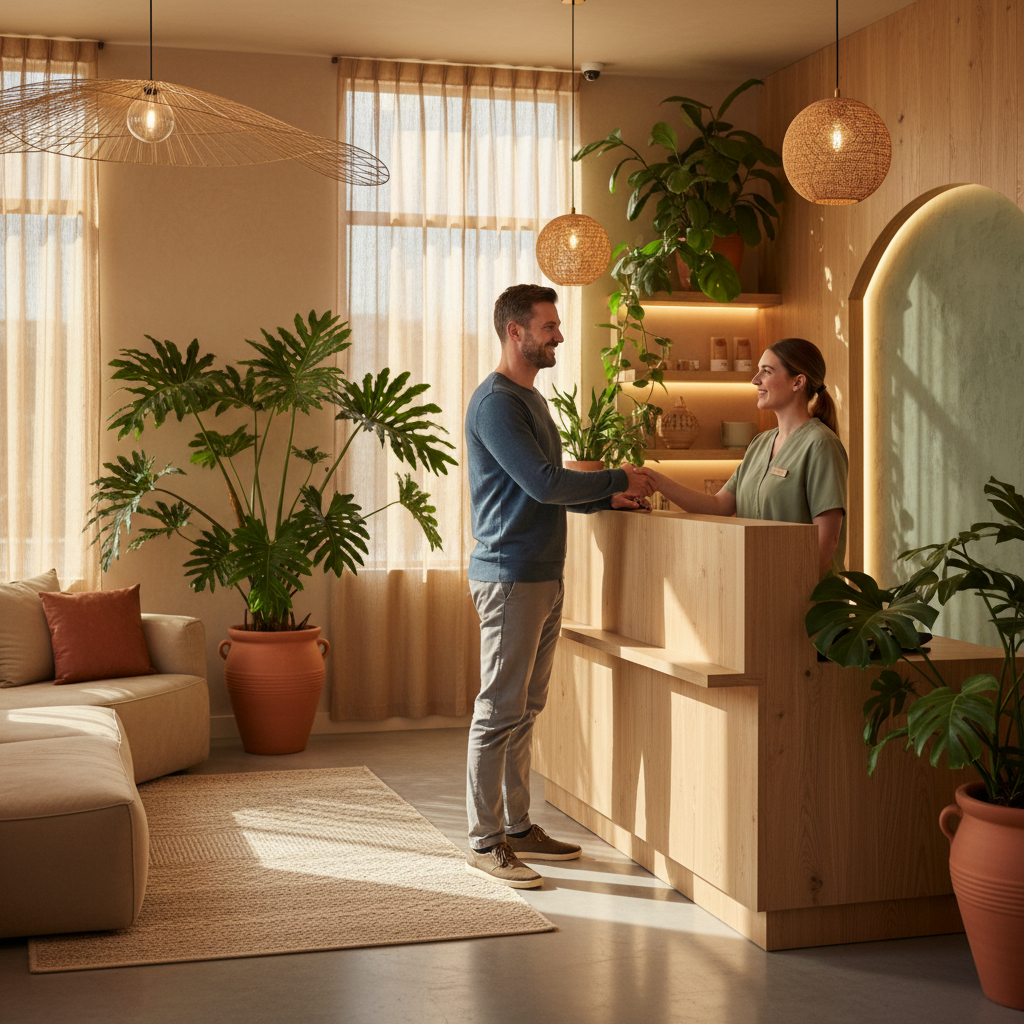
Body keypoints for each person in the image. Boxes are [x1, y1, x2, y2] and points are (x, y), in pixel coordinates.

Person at [464, 283, 653, 889]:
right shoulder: (497, 403)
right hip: (511, 577)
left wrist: (606, 498)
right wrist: (620, 476)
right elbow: (545, 484)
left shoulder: (530, 401)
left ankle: (519, 827)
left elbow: (538, 493)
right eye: (548, 327)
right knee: (498, 711)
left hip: (541, 573)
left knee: (526, 709)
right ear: (515, 332)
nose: (559, 336)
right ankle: (484, 839)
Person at [643, 337, 848, 578]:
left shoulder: (821, 444)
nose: (755, 380)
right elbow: (718, 506)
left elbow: (826, 543)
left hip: (806, 601)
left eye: (767, 371)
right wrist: (656, 481)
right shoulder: (759, 444)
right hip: (758, 593)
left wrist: (789, 592)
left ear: (798, 382)